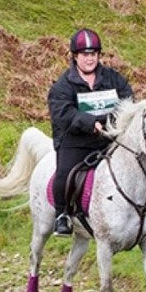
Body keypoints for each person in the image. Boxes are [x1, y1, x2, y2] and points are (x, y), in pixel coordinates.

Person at [47, 28, 133, 235]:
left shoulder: (113, 78)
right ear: (75, 56)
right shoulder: (63, 85)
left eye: (93, 54)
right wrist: (90, 122)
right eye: (85, 54)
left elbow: (127, 100)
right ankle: (63, 214)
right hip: (76, 140)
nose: (89, 59)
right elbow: (63, 112)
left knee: (138, 161)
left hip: (109, 136)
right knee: (65, 173)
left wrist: (108, 123)